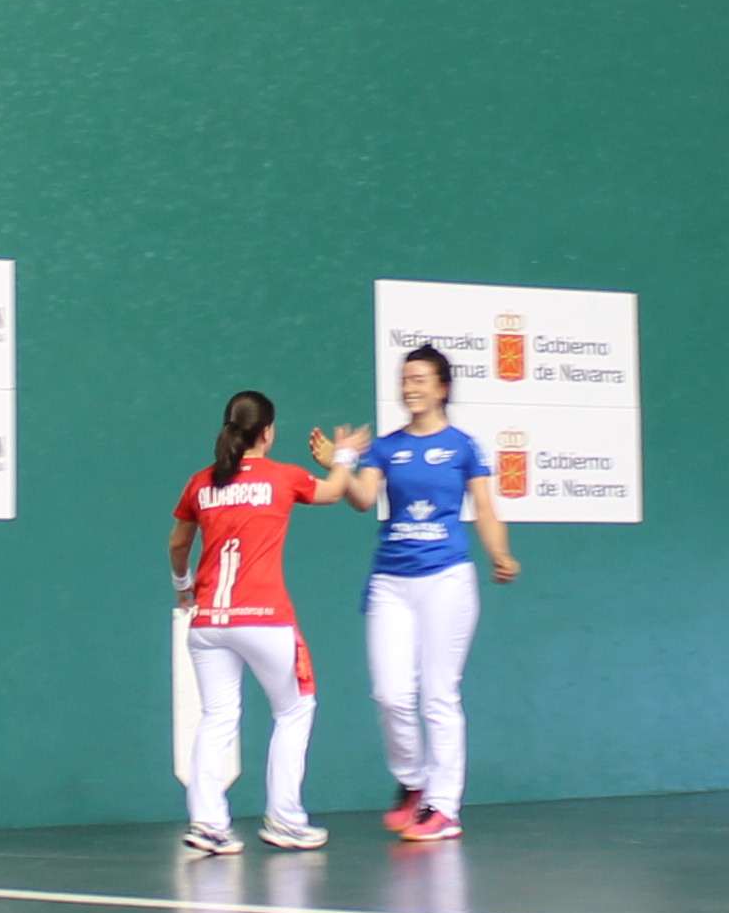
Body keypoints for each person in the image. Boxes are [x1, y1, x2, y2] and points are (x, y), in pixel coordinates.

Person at [316, 343, 517, 843]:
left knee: (438, 695)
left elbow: (486, 509)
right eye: (405, 379)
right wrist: (339, 463)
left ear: (442, 387)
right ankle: (412, 782)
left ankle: (444, 807)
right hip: (390, 582)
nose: (410, 387)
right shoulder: (385, 447)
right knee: (389, 693)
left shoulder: (466, 447)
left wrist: (500, 553)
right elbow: (363, 500)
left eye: (420, 379)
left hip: (447, 579)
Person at [169, 390, 344, 856]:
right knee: (294, 709)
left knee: (218, 717)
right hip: (265, 620)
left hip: (208, 623)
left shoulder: (201, 483)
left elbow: (177, 544)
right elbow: (333, 491)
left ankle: (208, 823)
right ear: (267, 433)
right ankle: (285, 818)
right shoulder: (283, 477)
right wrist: (343, 456)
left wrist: (182, 584)